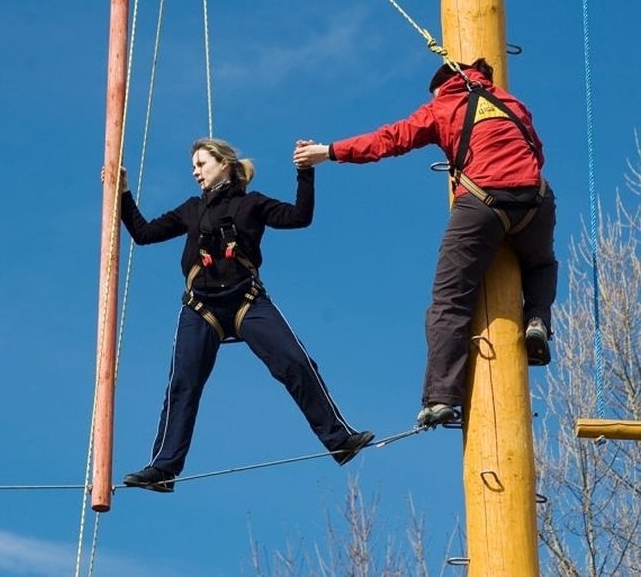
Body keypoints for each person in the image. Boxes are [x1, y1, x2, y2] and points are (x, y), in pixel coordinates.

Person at [293, 58, 558, 428]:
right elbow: (536, 150)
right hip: (536, 199)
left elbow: (389, 140)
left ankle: (441, 399)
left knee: (449, 302)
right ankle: (537, 321)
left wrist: (329, 151)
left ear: (442, 85)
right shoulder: (511, 103)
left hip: (482, 202)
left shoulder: (442, 106)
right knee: (541, 263)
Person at [110, 137, 373, 493]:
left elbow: (299, 217)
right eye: (193, 168)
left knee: (295, 363)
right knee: (183, 385)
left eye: (201, 165)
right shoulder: (191, 209)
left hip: (246, 301)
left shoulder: (252, 204)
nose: (196, 173)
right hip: (201, 307)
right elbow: (144, 234)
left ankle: (339, 439)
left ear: (224, 163)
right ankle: (163, 468)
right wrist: (123, 193)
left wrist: (305, 173)